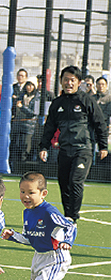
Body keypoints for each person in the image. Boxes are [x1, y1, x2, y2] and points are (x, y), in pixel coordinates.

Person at [1, 172, 77, 280]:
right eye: (22, 191)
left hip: (56, 257)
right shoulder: (27, 213)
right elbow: (29, 239)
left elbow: (70, 226)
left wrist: (68, 242)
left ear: (43, 194)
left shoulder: (49, 211)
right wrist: (12, 235)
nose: (25, 196)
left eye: (31, 192)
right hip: (39, 256)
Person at [39, 66, 108, 223]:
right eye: (66, 80)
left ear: (79, 82)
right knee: (64, 184)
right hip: (64, 151)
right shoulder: (57, 103)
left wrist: (103, 146)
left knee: (75, 182)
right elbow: (49, 127)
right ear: (61, 81)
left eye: (72, 80)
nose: (69, 83)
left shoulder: (86, 100)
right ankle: (67, 215)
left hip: (83, 150)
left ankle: (72, 218)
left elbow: (99, 123)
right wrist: (43, 147)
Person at [11, 80, 38, 163]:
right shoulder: (22, 96)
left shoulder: (37, 98)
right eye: (28, 85)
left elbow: (33, 113)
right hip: (18, 125)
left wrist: (22, 107)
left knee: (26, 148)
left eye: (31, 85)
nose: (29, 87)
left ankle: (24, 165)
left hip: (29, 127)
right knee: (16, 147)